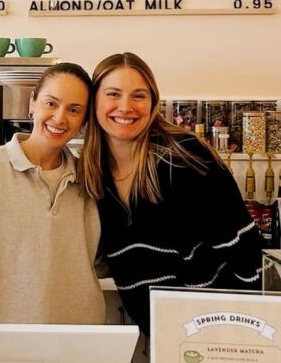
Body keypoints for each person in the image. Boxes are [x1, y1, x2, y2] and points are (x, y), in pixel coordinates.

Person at [80, 52, 262, 335]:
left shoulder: (184, 155)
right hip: (159, 332)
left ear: (153, 102)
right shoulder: (92, 171)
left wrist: (247, 329)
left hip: (217, 329)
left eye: (139, 96)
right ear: (94, 102)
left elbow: (242, 246)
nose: (125, 107)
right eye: (113, 94)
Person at [0, 63, 106, 324]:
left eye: (74, 110)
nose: (60, 118)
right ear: (32, 103)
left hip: (81, 335)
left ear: (84, 121)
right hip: (1, 337)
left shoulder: (90, 179)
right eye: (51, 103)